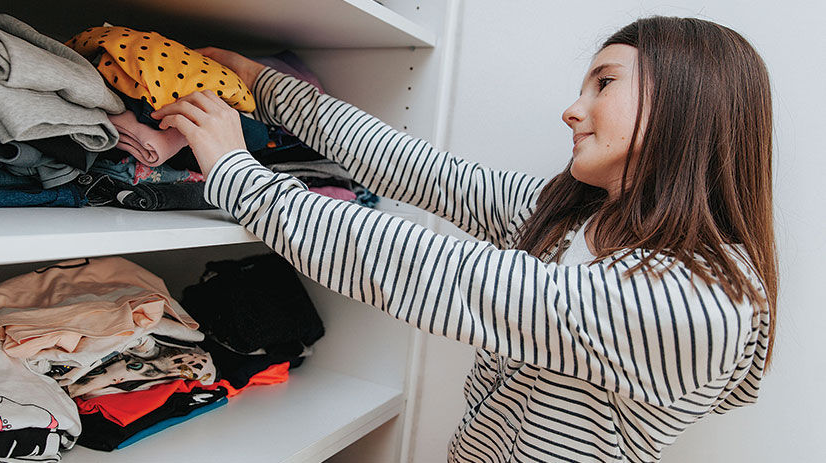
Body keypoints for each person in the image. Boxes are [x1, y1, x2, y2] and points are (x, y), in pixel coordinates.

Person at [151, 16, 775, 463]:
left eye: (604, 84)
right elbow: (419, 168)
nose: (573, 109)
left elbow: (441, 273)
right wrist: (262, 84)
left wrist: (238, 173)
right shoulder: (570, 218)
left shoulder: (702, 300)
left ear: (685, 105)